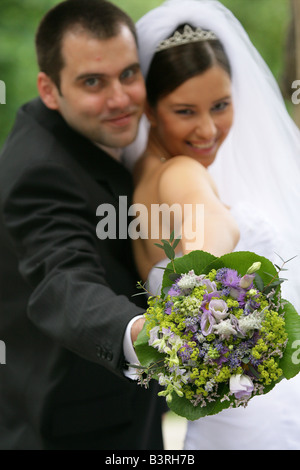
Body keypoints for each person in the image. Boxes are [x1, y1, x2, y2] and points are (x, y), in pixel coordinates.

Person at [124, 0, 300, 450]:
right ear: (149, 108)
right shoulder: (180, 172)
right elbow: (208, 221)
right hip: (263, 423)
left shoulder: (145, 173)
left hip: (228, 418)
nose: (208, 129)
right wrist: (208, 278)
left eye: (220, 105)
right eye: (185, 111)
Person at [0, 0, 166, 450]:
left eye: (129, 74)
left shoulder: (115, 134)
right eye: (93, 82)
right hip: (68, 427)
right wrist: (143, 335)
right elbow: (62, 281)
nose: (120, 98)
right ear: (49, 90)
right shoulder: (36, 172)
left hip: (129, 407)